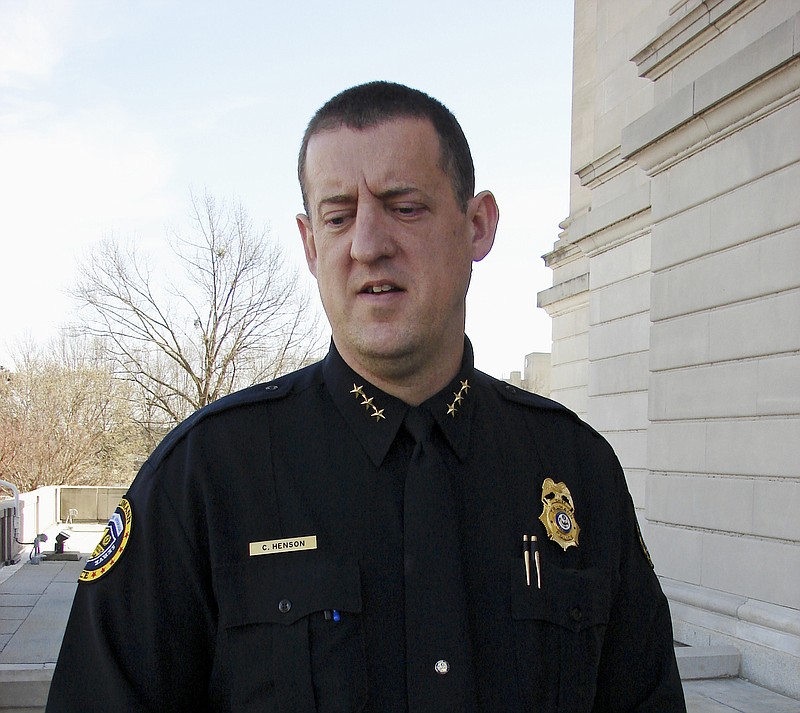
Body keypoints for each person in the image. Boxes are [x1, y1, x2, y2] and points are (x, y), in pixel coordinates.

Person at [46, 81, 686, 712]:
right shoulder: (205, 476)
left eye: (404, 206)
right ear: (309, 243)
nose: (368, 244)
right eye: (338, 215)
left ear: (478, 227)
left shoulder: (576, 468)